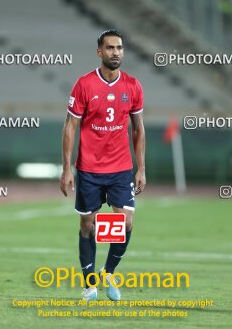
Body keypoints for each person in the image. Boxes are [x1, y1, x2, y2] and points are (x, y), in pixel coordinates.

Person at [60, 30, 146, 301]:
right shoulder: (84, 84)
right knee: (89, 225)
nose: (115, 52)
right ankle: (89, 285)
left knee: (125, 222)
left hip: (121, 168)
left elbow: (138, 129)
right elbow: (70, 126)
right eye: (109, 48)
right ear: (99, 52)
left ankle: (108, 272)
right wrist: (66, 168)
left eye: (119, 47)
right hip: (89, 169)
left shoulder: (132, 86)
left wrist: (140, 168)